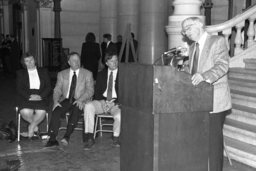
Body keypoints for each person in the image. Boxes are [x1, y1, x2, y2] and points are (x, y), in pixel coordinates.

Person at [181, 17, 232, 171]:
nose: (186, 33)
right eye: (184, 31)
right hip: (198, 100)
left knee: (213, 143)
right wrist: (182, 69)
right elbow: (193, 71)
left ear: (199, 25)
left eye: (188, 28)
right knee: (199, 140)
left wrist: (205, 75)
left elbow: (222, 65)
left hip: (215, 100)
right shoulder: (192, 48)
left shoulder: (217, 41)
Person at [45, 52, 94, 147]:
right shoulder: (62, 74)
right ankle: (52, 138)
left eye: (78, 60)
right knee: (56, 111)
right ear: (69, 62)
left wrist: (81, 99)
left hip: (81, 100)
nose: (76, 62)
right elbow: (57, 89)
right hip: (66, 99)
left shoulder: (87, 73)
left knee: (76, 109)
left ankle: (67, 136)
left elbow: (90, 90)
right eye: (74, 60)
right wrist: (55, 101)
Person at [83, 51, 121, 150]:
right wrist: (102, 101)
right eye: (112, 61)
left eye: (116, 60)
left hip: (116, 103)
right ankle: (90, 137)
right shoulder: (101, 74)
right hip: (102, 102)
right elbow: (97, 92)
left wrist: (114, 103)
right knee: (88, 106)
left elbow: (126, 93)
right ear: (106, 63)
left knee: (119, 115)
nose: (115, 63)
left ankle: (116, 137)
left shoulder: (123, 74)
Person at [16, 53, 51, 138]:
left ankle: (31, 128)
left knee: (41, 112)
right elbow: (19, 88)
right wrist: (29, 97)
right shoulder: (20, 73)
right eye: (27, 61)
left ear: (35, 60)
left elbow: (48, 87)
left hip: (41, 96)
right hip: (26, 97)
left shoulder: (43, 71)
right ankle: (36, 128)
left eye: (31, 60)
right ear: (24, 63)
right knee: (25, 111)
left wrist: (41, 96)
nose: (30, 62)